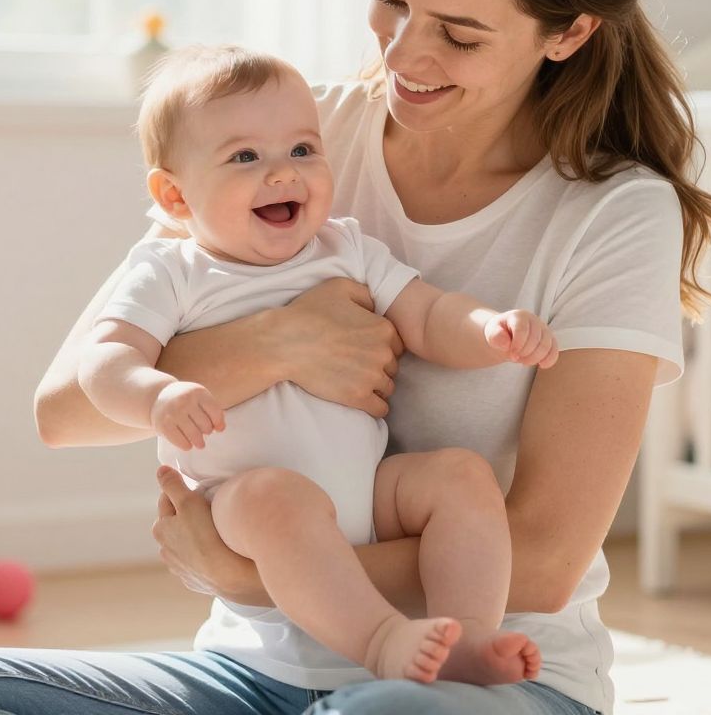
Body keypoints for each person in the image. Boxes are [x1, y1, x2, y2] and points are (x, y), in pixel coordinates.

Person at [0, 0, 711, 715]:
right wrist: (278, 344)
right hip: (252, 673)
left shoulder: (613, 213)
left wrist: (249, 568)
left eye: (459, 35)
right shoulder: (294, 137)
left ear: (568, 32)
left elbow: (540, 560)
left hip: (487, 679)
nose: (404, 52)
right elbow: (67, 410)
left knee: (388, 712)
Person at [80, 43, 552, 685]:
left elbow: (427, 314)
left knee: (462, 478)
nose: (283, 174)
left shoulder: (345, 247)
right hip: (243, 501)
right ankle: (383, 639)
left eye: (302, 150)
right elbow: (104, 361)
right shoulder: (172, 272)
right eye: (245, 156)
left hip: (365, 494)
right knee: (281, 497)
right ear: (175, 195)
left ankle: (466, 642)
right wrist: (156, 395)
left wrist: (489, 329)